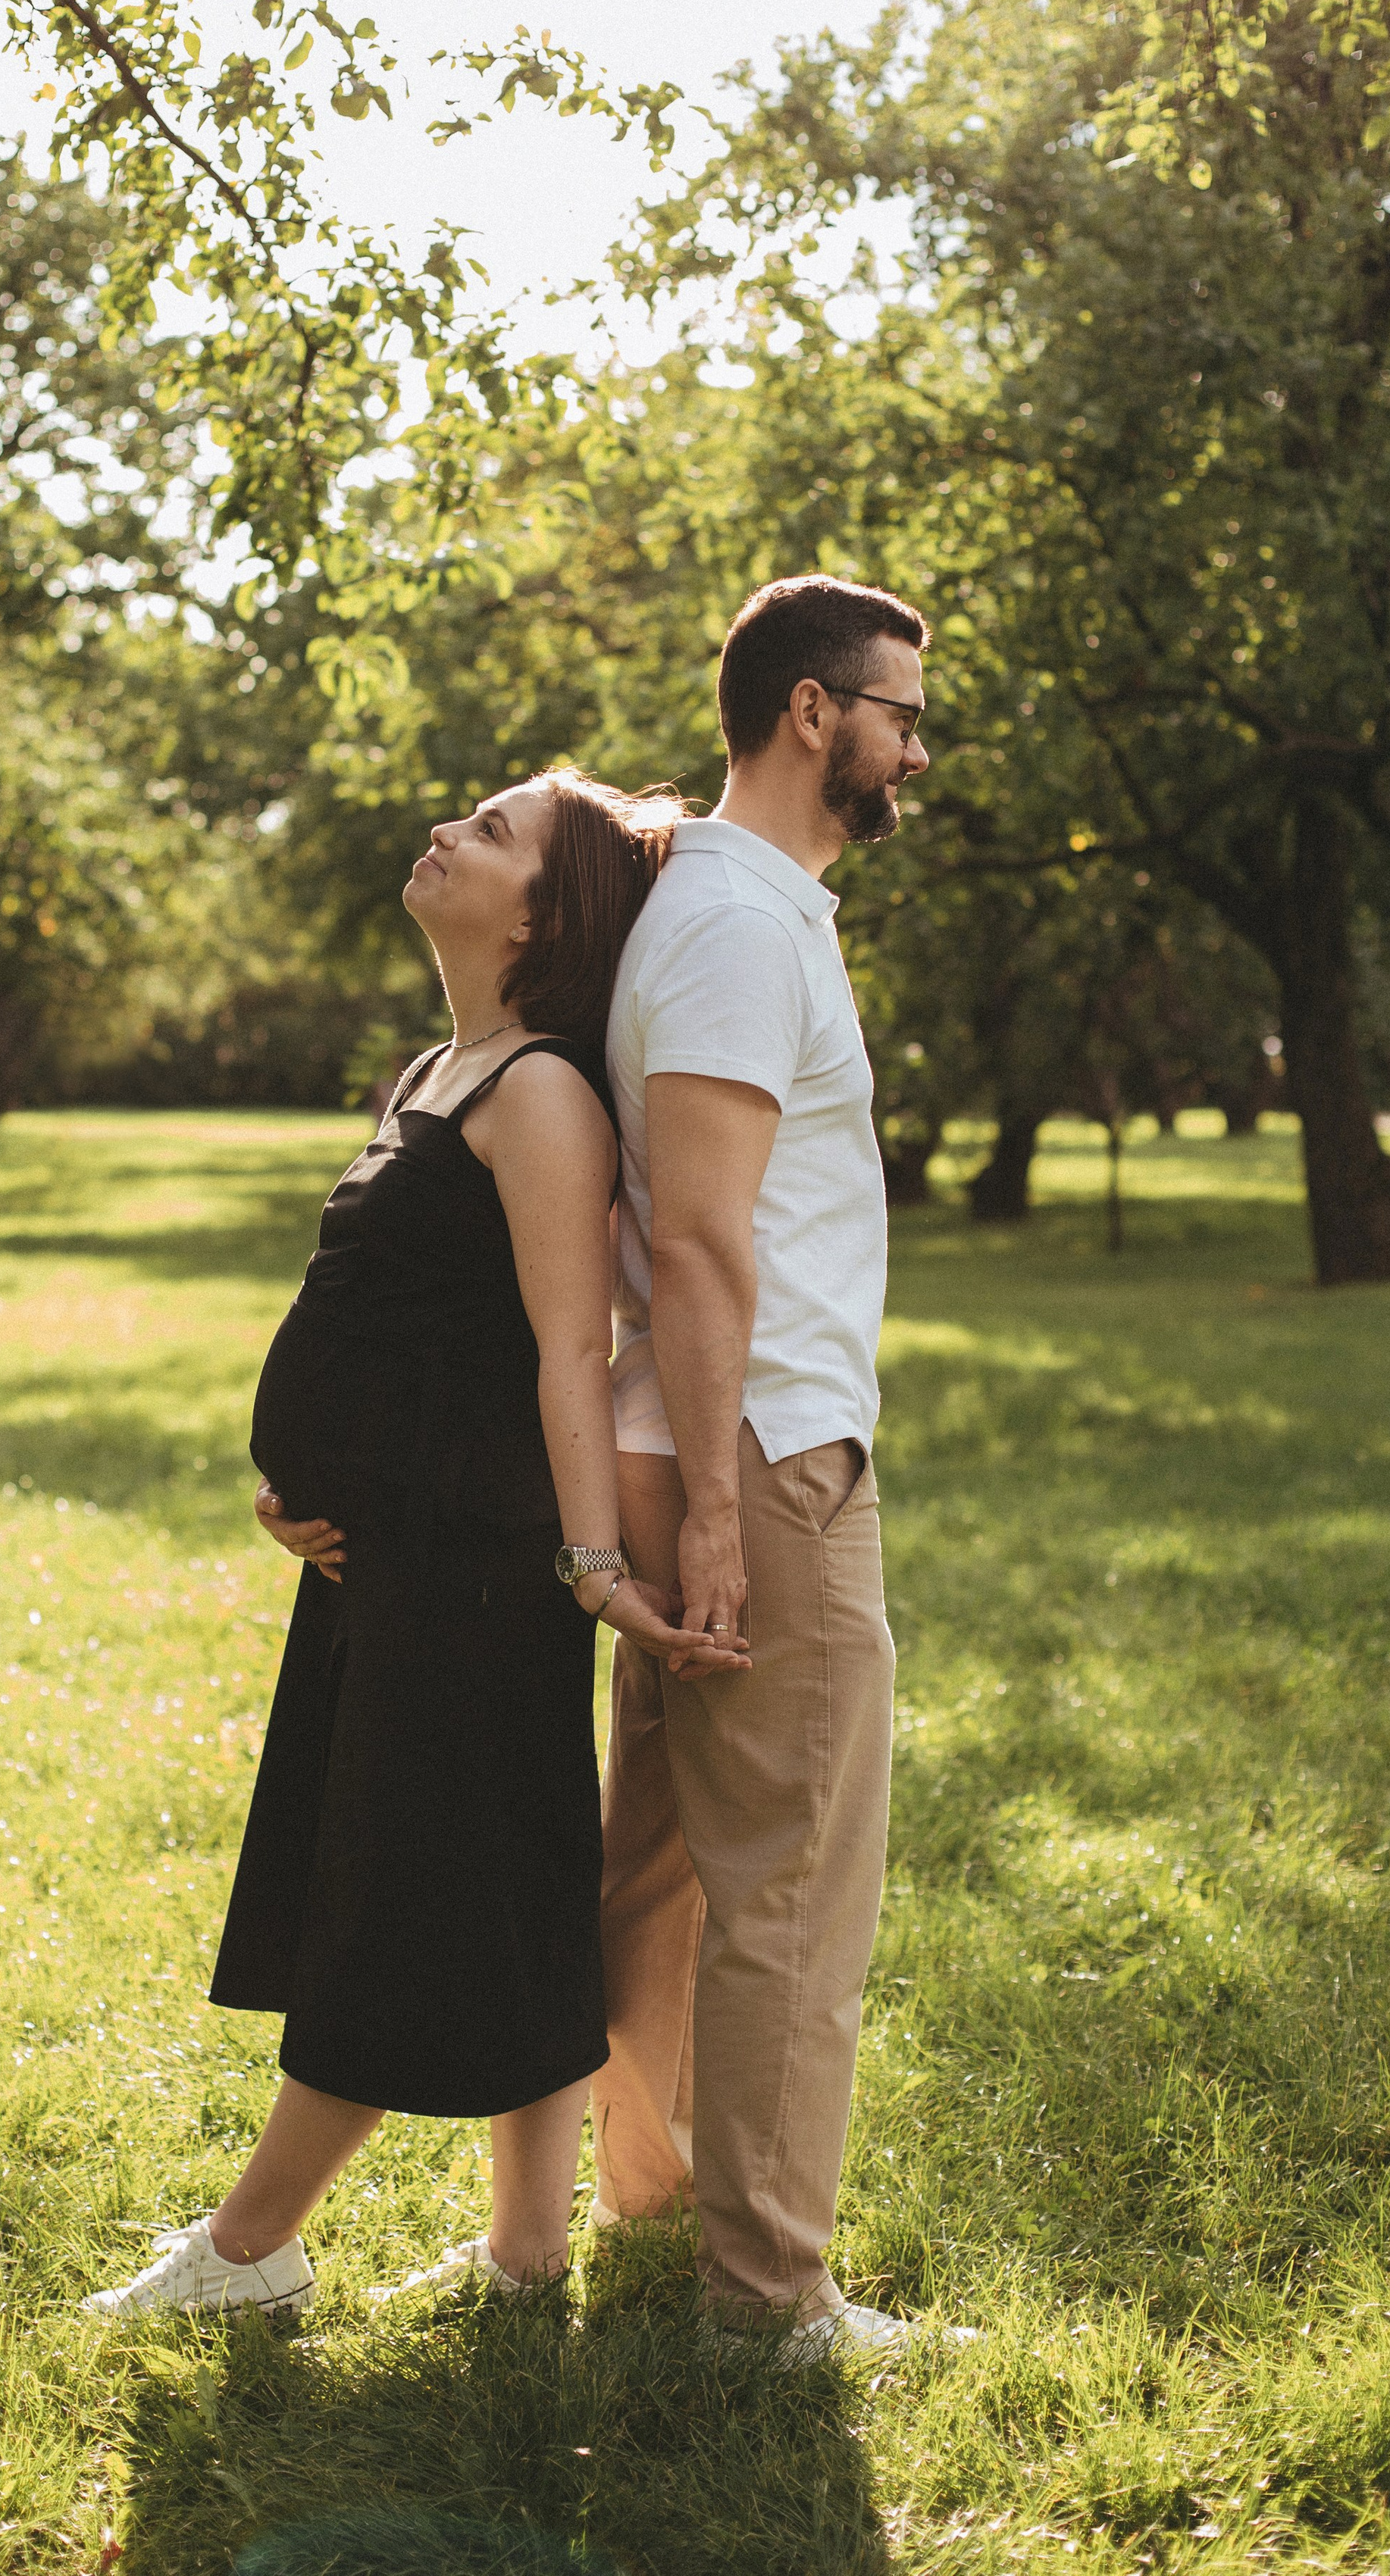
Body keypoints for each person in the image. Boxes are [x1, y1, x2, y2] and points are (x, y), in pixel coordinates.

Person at [84, 767, 747, 2324]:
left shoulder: (541, 1097)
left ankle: (250, 2247)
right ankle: (527, 2253)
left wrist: (593, 1572)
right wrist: (302, 1478)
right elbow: (384, 1321)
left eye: (496, 830)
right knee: (514, 1895)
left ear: (544, 914)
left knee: (403, 1902)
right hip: (384, 1555)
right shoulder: (429, 1076)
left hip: (475, 1564)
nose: (451, 832)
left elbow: (563, 1358)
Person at [591, 574, 960, 2367]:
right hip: (761, 1447)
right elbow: (704, 1243)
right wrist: (734, 1508)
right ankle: (766, 2297)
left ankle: (654, 2204)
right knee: (795, 1882)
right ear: (811, 713)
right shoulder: (740, 928)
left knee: (664, 1862)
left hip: (692, 1440)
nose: (915, 746)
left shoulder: (724, 903)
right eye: (901, 709)